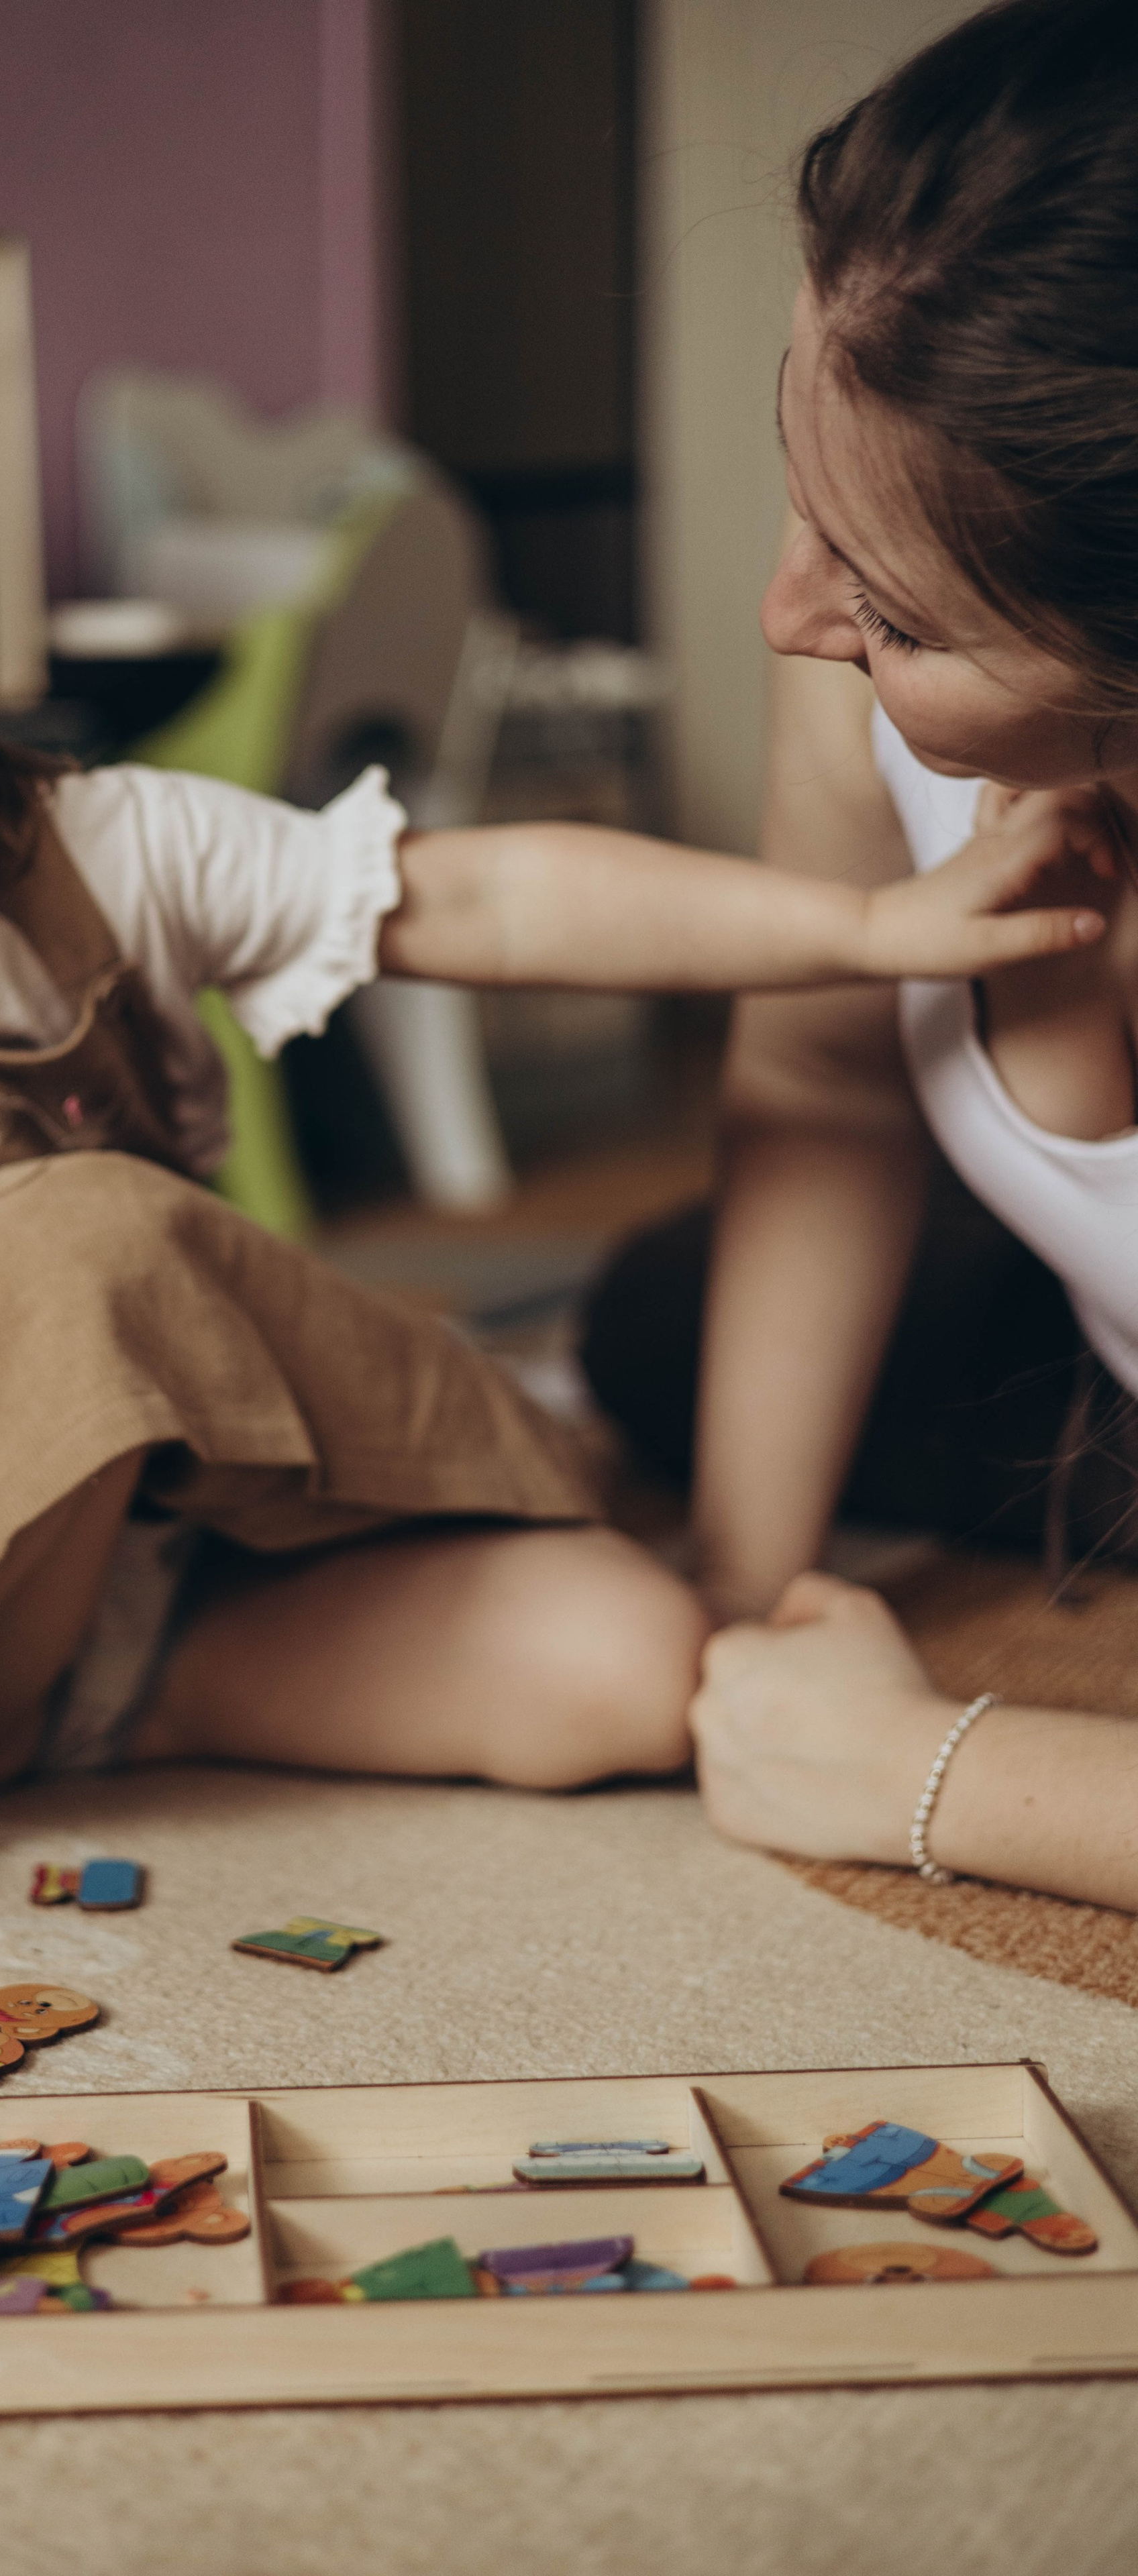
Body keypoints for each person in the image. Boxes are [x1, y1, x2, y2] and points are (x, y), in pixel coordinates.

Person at [0, 384, 1092, 1953]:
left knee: (641, 1668)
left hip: (160, 1576)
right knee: (73, 1234)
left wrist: (865, 926)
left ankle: (129, 1712)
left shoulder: (101, 846)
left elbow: (477, 901)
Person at [585, 0, 1138, 1911]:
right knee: (653, 1322)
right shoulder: (857, 672)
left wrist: (913, 1769)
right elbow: (825, 1073)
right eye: (796, 497)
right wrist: (746, 1597)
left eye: (888, 606)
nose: (783, 609)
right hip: (1086, 1357)